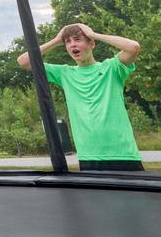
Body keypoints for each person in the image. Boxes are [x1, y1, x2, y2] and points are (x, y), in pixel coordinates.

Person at [17, 23, 143, 171]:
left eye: (77, 39)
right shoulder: (64, 73)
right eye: (68, 42)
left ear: (91, 44)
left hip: (124, 155)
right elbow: (24, 61)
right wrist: (56, 40)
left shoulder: (112, 68)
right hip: (88, 157)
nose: (73, 45)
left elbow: (133, 47)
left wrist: (93, 34)